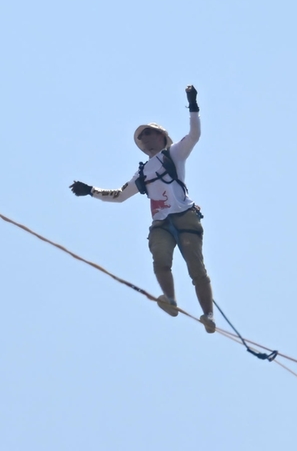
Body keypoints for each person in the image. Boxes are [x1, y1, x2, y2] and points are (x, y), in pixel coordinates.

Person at [70, 86, 216, 333]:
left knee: (196, 269)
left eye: (149, 133)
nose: (145, 138)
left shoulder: (174, 154)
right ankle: (170, 301)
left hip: (185, 216)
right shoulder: (142, 173)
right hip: (162, 224)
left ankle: (209, 316)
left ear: (161, 136)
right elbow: (119, 196)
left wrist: (193, 105)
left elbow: (194, 135)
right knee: (160, 260)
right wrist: (91, 190)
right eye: (142, 136)